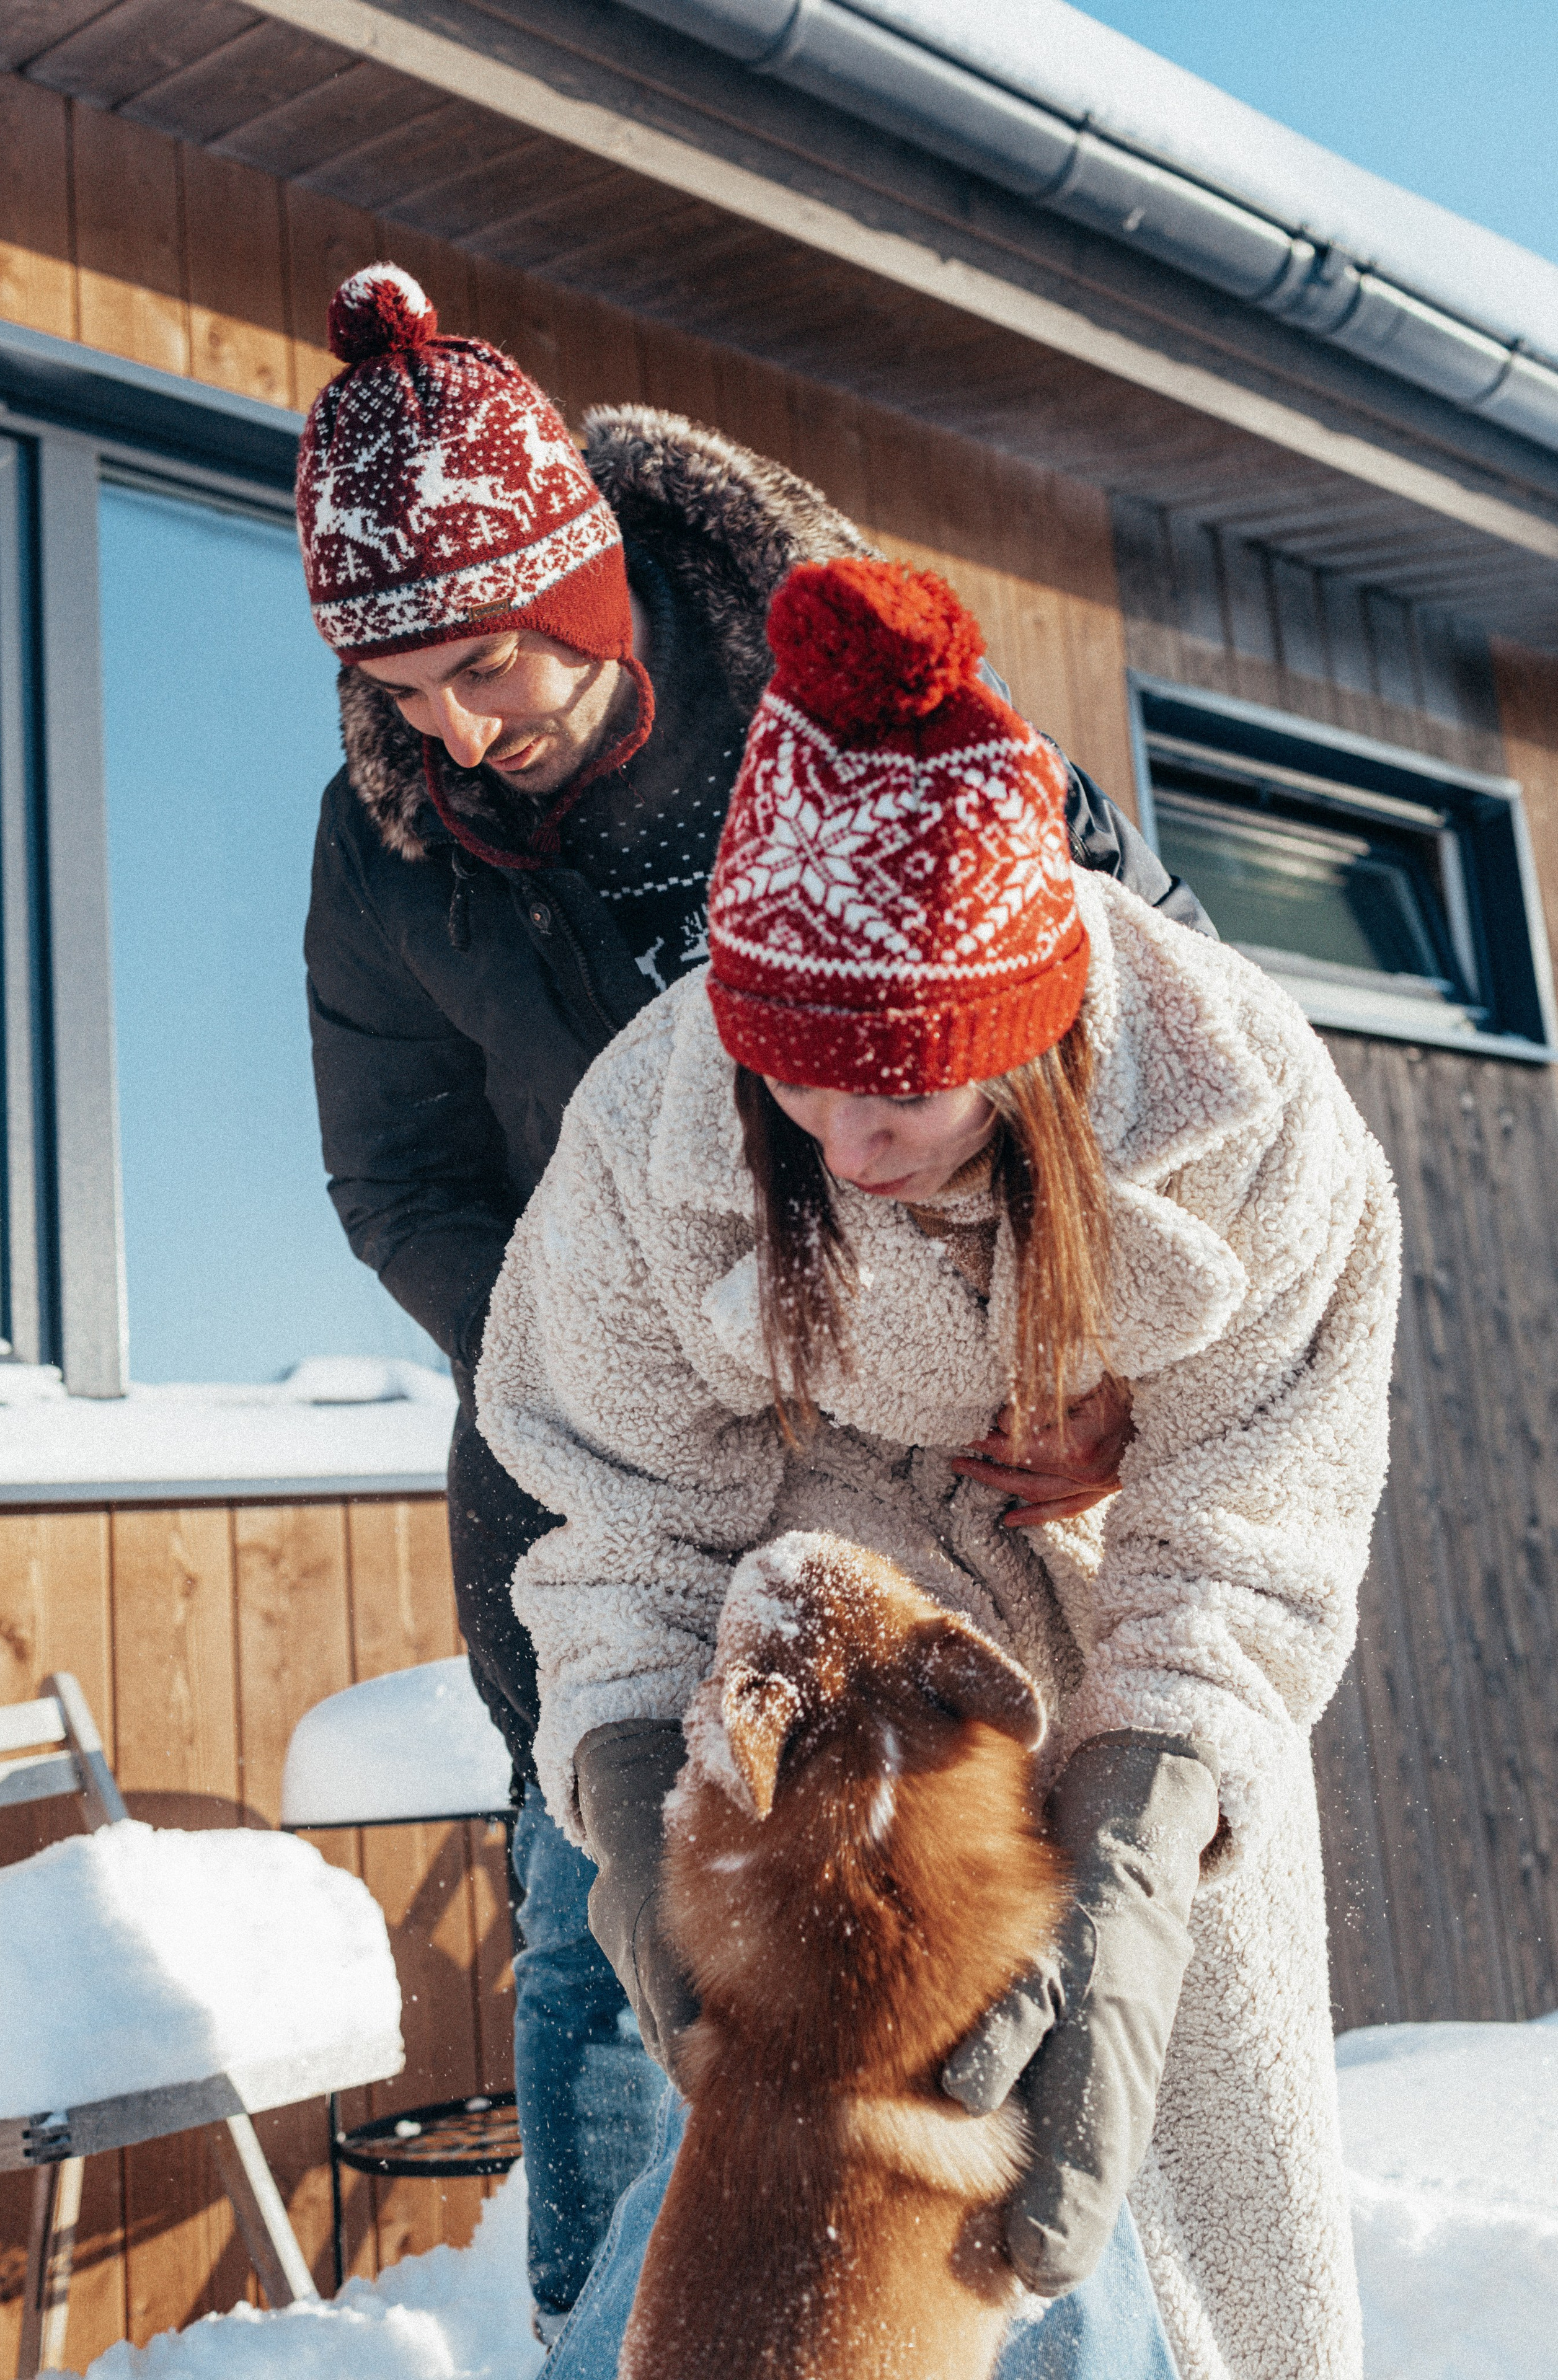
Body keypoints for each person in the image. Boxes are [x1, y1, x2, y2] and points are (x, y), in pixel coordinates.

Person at [294, 262, 1210, 2339]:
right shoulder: (389, 854)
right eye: (399, 683)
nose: (455, 726)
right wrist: (641, 1349)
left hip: (936, 1550)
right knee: (621, 2034)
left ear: (591, 577)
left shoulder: (879, 725)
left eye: (486, 664)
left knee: (992, 2105)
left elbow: (1138, 1022)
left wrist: (1106, 1371)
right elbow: (399, 1180)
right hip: (603, 1518)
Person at [474, 558, 1401, 2378]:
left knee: (1156, 2194)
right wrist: (639, 1785)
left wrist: (1134, 1870)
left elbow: (1253, 1517)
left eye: (898, 1087)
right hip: (837, 1756)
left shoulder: (1243, 1112)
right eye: (798, 1089)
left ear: (1031, 1036)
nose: (845, 1136)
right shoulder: (649, 1130)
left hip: (1131, 1660)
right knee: (764, 2245)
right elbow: (619, 1512)